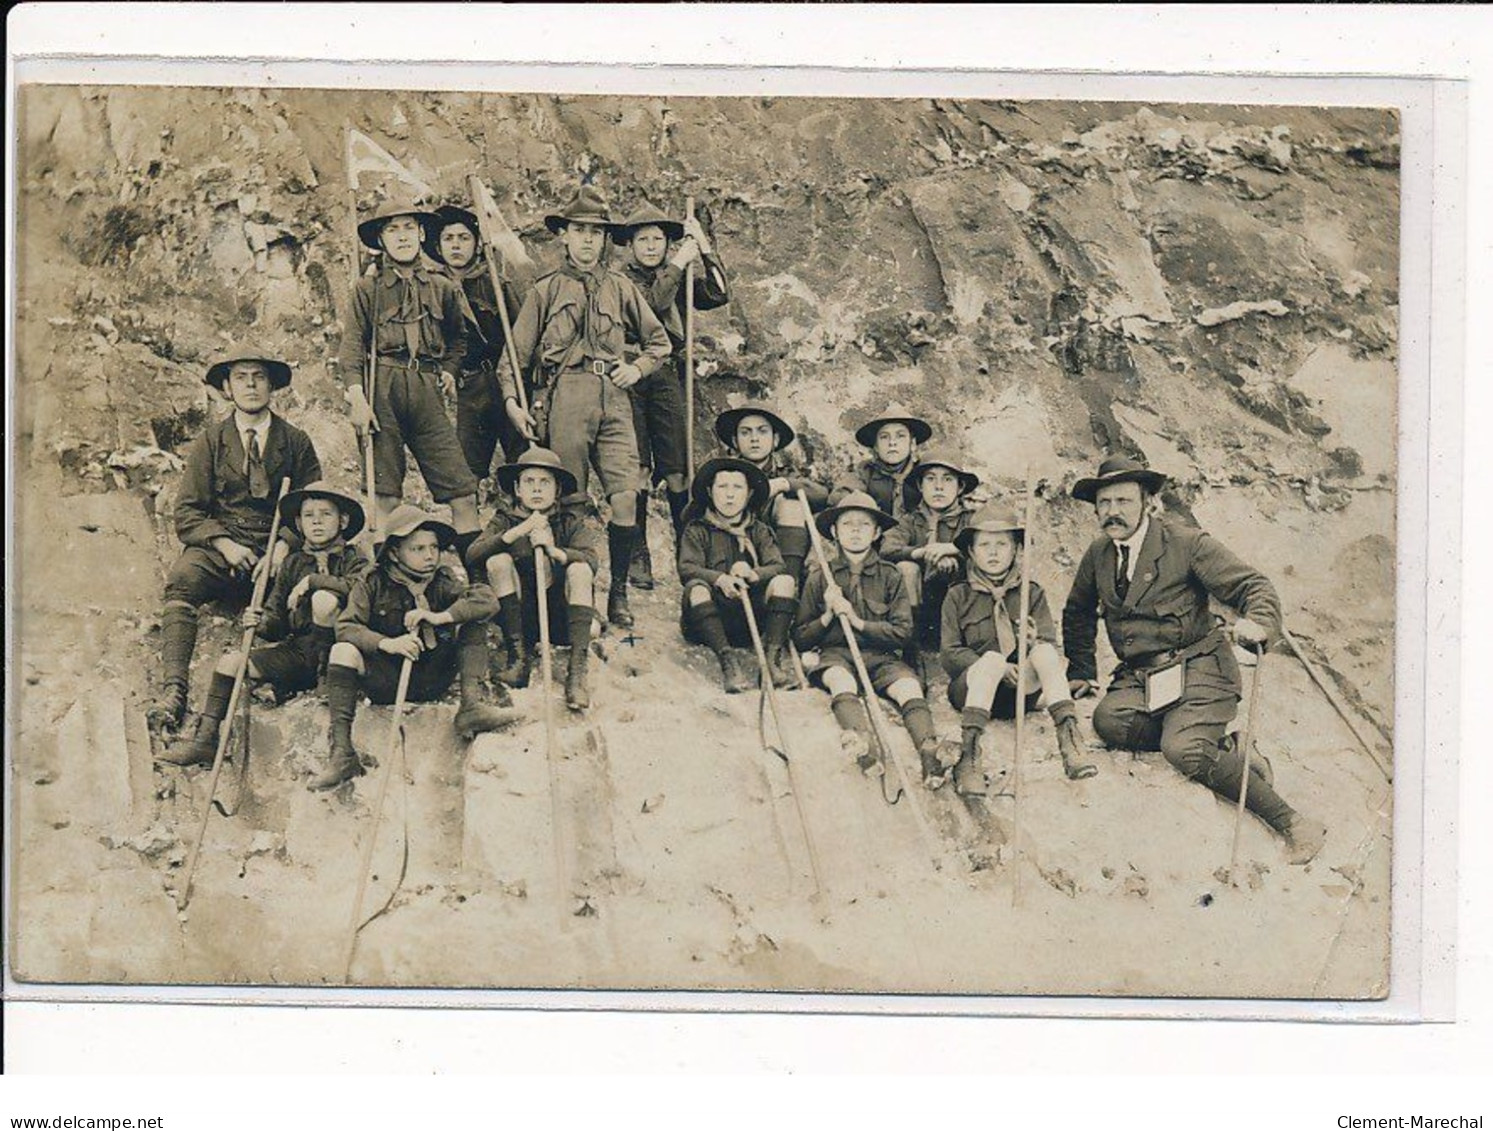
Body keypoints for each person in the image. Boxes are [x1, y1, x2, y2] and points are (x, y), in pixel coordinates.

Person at [1061, 455, 1327, 865]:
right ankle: (1229, 750)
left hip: (1200, 665)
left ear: (1148, 502)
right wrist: (1080, 671)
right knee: (1110, 723)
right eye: (1104, 503)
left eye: (1124, 501)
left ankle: (1291, 821)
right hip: (1144, 675)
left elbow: (1253, 585)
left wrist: (1258, 622)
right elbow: (1078, 610)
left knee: (1183, 750)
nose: (1113, 512)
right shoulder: (1099, 554)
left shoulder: (1186, 543)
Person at [500, 184, 672, 629]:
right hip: (566, 395)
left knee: (625, 496)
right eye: (579, 230)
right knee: (570, 501)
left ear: (605, 239)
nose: (588, 240)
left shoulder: (621, 288)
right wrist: (514, 403)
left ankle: (618, 594)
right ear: (565, 236)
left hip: (614, 396)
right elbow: (513, 358)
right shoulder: (546, 290)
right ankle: (576, 597)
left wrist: (636, 370)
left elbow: (659, 342)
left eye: (596, 232)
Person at [148, 346, 322, 733]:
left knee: (310, 595)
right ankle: (173, 690)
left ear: (272, 385)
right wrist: (225, 544)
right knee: (183, 578)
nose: (250, 385)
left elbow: (314, 505)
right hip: (226, 548)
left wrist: (285, 546)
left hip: (276, 548)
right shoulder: (211, 442)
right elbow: (189, 512)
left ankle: (283, 679)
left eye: (258, 376)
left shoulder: (295, 442)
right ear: (227, 387)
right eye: (241, 377)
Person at [158, 483, 373, 767]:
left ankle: (324, 684)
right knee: (231, 663)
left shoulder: (355, 558)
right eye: (309, 516)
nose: (317, 521)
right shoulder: (293, 564)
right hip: (298, 654)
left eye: (326, 514)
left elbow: (359, 588)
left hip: (338, 659)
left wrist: (313, 582)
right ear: (298, 523)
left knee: (323, 599)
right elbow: (277, 619)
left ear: (342, 521)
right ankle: (206, 740)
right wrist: (259, 622)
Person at [320, 506, 518, 791]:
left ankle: (471, 706)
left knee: (472, 620)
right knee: (342, 650)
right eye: (417, 548)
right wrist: (387, 643)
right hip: (387, 679)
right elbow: (347, 627)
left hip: (432, 676)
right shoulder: (371, 582)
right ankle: (342, 754)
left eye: (434, 547)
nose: (429, 556)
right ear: (393, 553)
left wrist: (440, 616)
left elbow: (486, 599)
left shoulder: (442, 579)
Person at [337, 198, 484, 558]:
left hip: (427, 389)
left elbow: (458, 337)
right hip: (381, 385)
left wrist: (449, 371)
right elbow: (352, 348)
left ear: (421, 233)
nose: (402, 237)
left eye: (408, 228)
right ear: (381, 240)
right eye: (392, 229)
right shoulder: (367, 290)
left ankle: (478, 579)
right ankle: (385, 585)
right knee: (384, 492)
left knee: (463, 490)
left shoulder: (442, 285)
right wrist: (357, 399)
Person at [939, 502, 1093, 795]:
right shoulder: (958, 595)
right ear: (971, 551)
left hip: (1019, 693)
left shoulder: (1030, 593)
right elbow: (949, 653)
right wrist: (993, 666)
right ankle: (969, 756)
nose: (993, 552)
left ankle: (1070, 739)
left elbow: (1049, 645)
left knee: (1044, 653)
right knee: (993, 659)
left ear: (1016, 550)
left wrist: (1032, 643)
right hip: (974, 691)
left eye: (1002, 544)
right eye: (984, 544)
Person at [613, 201, 731, 585]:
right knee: (640, 469)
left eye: (659, 239)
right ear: (629, 245)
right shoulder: (618, 280)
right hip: (631, 373)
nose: (651, 246)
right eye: (643, 239)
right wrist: (679, 262)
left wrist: (704, 248)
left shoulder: (678, 273)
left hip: (667, 377)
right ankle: (638, 554)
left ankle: (687, 553)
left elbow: (718, 293)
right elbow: (649, 309)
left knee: (678, 469)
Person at [793, 491, 940, 779]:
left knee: (908, 687)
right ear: (834, 531)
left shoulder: (891, 575)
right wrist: (828, 615)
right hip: (837, 655)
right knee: (840, 680)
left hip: (882, 657)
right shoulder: (820, 576)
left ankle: (929, 752)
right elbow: (800, 637)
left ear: (876, 533)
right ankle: (862, 743)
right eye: (848, 524)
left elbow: (902, 632)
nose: (856, 531)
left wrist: (857, 621)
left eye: (864, 525)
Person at [465, 447, 601, 711]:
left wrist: (554, 551)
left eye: (545, 482)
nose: (537, 489)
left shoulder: (569, 522)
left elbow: (591, 559)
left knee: (580, 568)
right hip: (521, 619)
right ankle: (518, 659)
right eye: (529, 482)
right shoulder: (505, 520)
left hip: (560, 617)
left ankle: (576, 673)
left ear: (557, 490)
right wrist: (515, 533)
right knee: (497, 561)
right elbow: (473, 554)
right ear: (517, 489)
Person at [423, 203, 533, 483]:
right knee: (466, 472)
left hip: (503, 381)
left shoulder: (495, 282)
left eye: (464, 238)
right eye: (448, 239)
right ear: (438, 246)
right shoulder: (431, 288)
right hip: (464, 388)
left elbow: (522, 335)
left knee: (522, 460)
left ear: (476, 244)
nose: (456, 245)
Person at [677, 457, 800, 693]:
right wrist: (720, 579)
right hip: (712, 619)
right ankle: (728, 662)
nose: (730, 495)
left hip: (750, 616)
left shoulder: (760, 530)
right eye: (722, 487)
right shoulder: (697, 529)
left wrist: (754, 574)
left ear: (749, 494)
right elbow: (687, 568)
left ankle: (771, 662)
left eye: (737, 488)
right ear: (710, 492)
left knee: (784, 582)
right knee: (696, 587)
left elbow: (777, 566)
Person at [711, 402, 828, 589]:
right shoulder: (723, 474)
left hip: (776, 555)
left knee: (792, 505)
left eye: (762, 431)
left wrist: (783, 484)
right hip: (733, 550)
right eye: (746, 432)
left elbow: (821, 495)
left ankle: (789, 584)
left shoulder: (784, 474)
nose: (754, 439)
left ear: (775, 440)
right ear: (735, 441)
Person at [881, 447, 980, 652]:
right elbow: (888, 548)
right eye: (930, 479)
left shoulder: (970, 520)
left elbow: (985, 548)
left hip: (960, 602)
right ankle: (910, 648)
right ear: (920, 485)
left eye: (947, 480)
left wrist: (951, 549)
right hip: (920, 606)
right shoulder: (910, 520)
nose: (938, 487)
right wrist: (925, 552)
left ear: (960, 487)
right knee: (907, 569)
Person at [828, 411, 932, 522]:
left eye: (900, 436)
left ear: (912, 444)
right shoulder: (865, 471)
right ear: (876, 446)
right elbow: (840, 496)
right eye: (884, 437)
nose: (892, 442)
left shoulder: (922, 471)